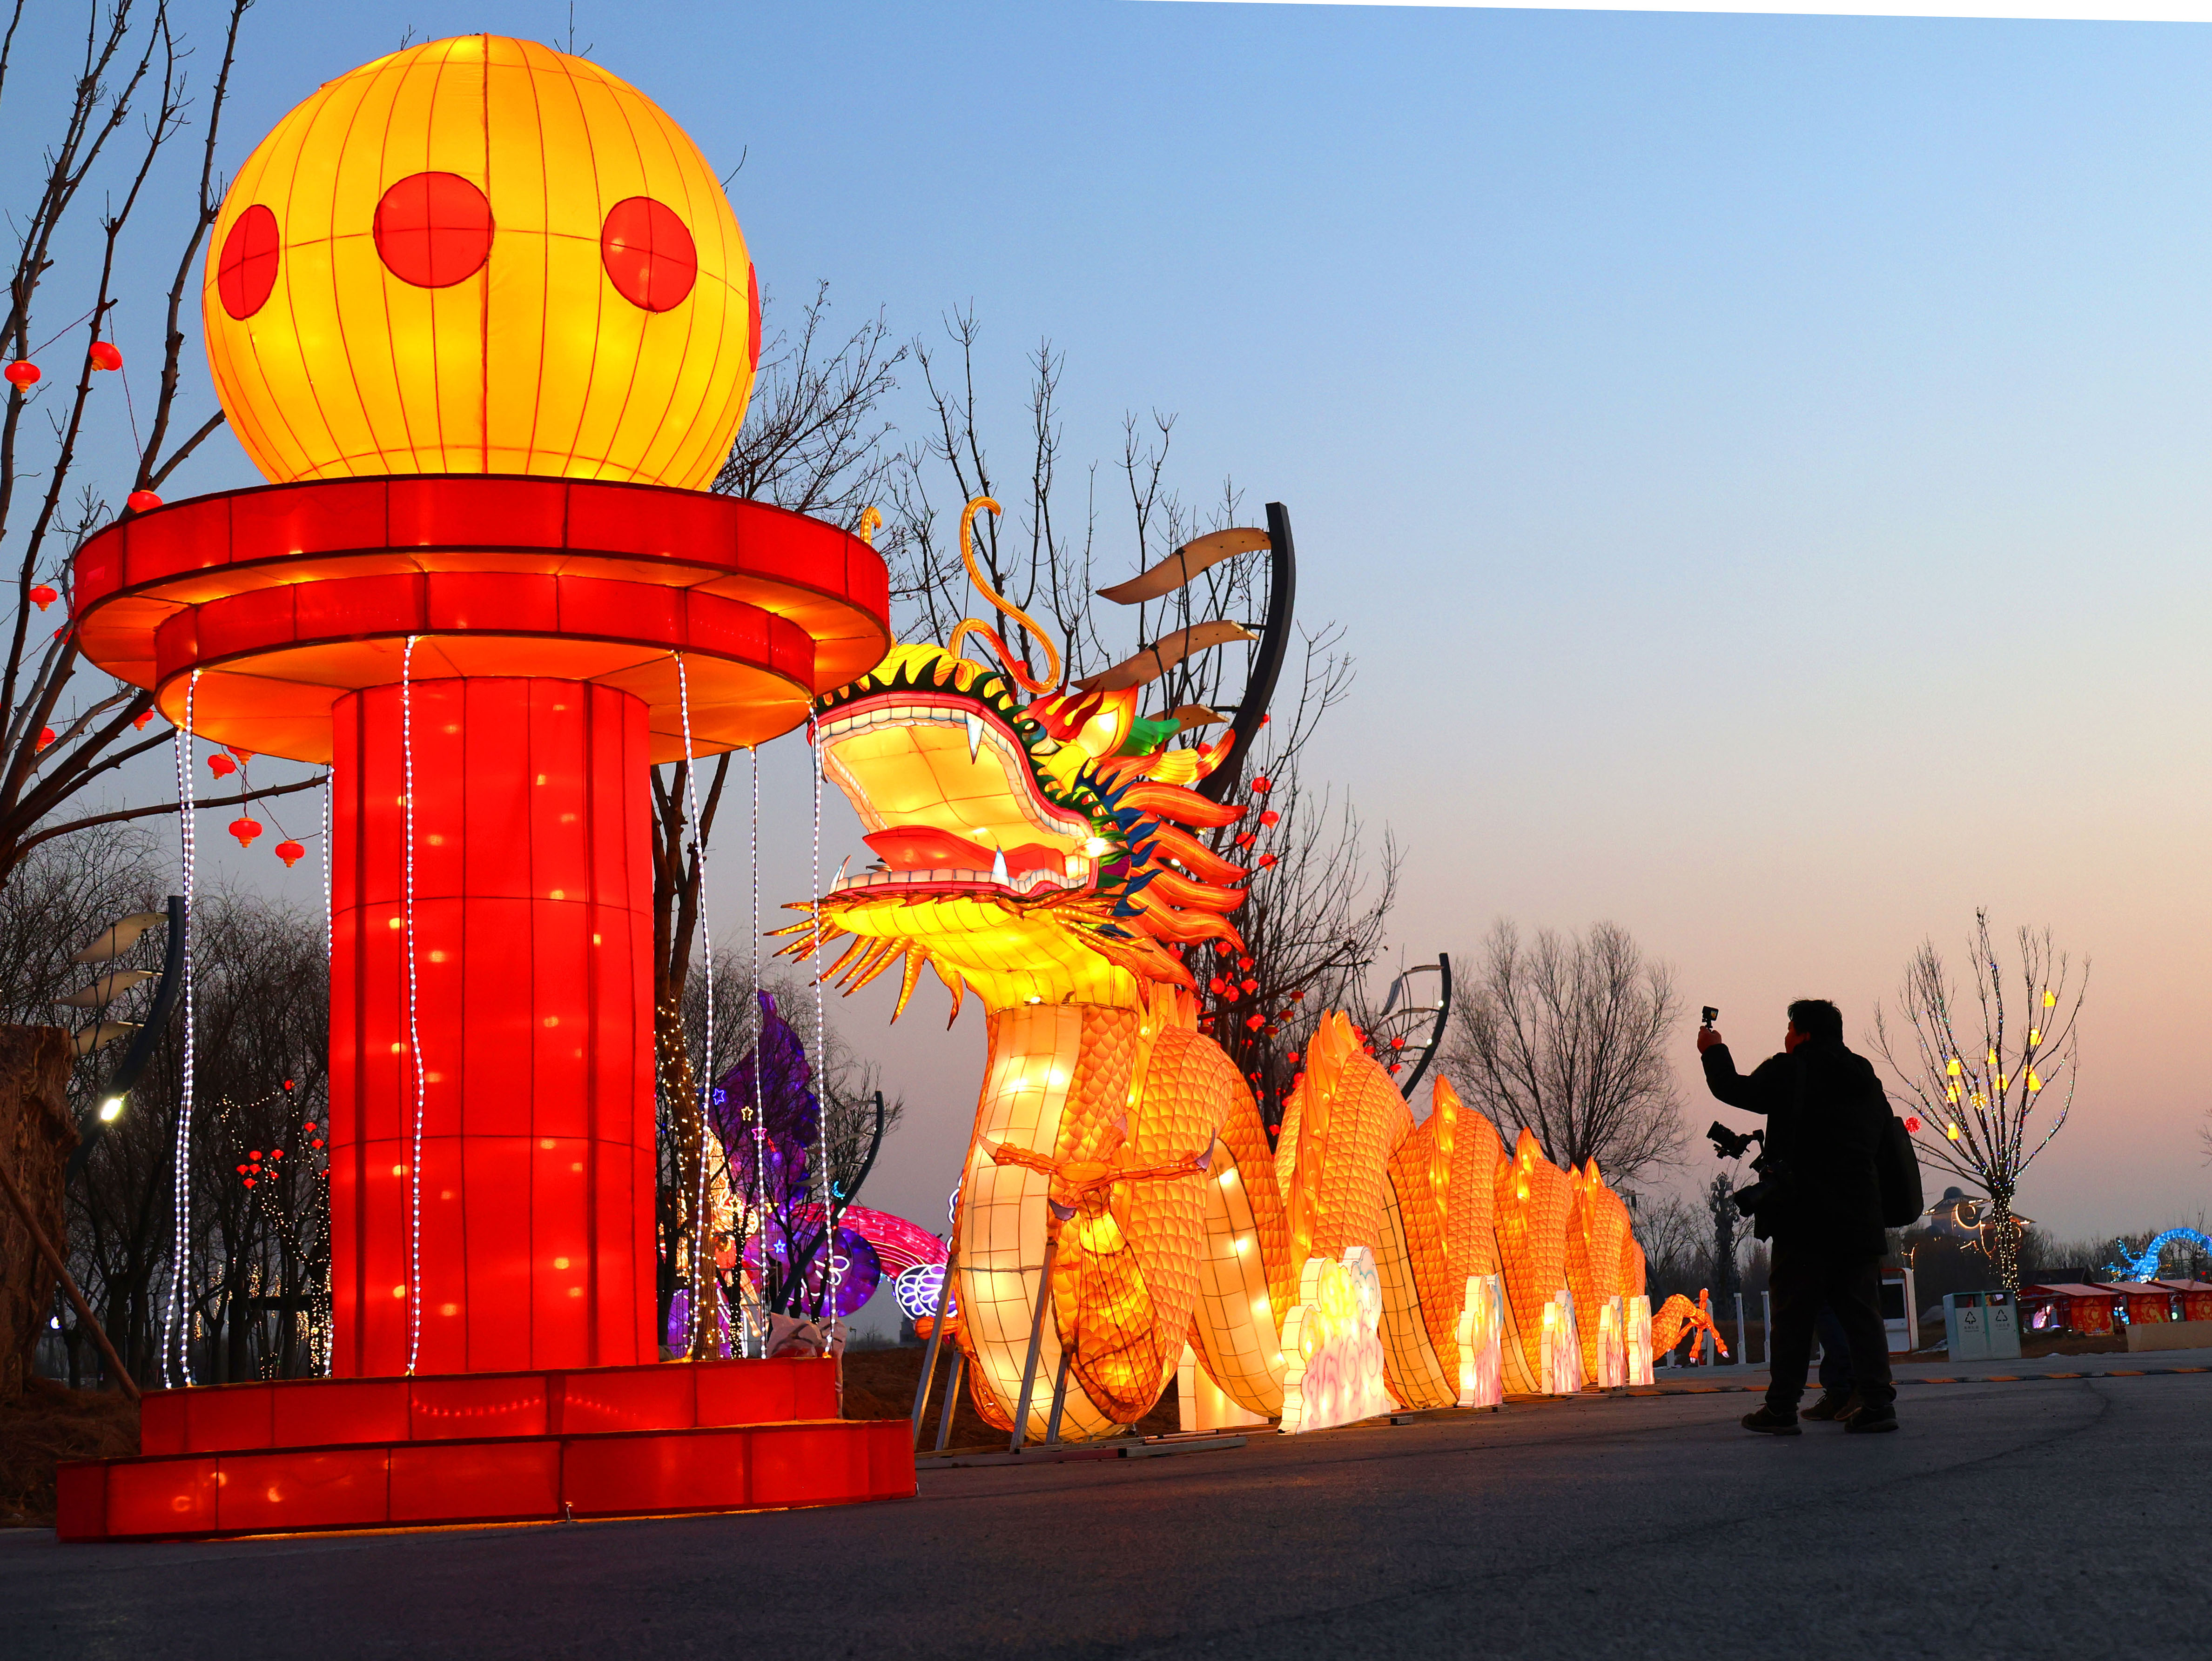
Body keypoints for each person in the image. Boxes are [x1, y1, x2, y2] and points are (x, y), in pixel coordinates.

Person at [1699, 998, 1898, 1435]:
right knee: (1862, 1315)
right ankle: (1877, 1404)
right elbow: (1885, 1141)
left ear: (1803, 1034)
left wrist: (1712, 1050)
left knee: (1793, 1316)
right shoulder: (1865, 1077)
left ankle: (1781, 1408)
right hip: (1859, 1217)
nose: (1786, 1038)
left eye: (1790, 1030)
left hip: (1804, 1217)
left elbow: (1734, 1089)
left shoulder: (1793, 1069)